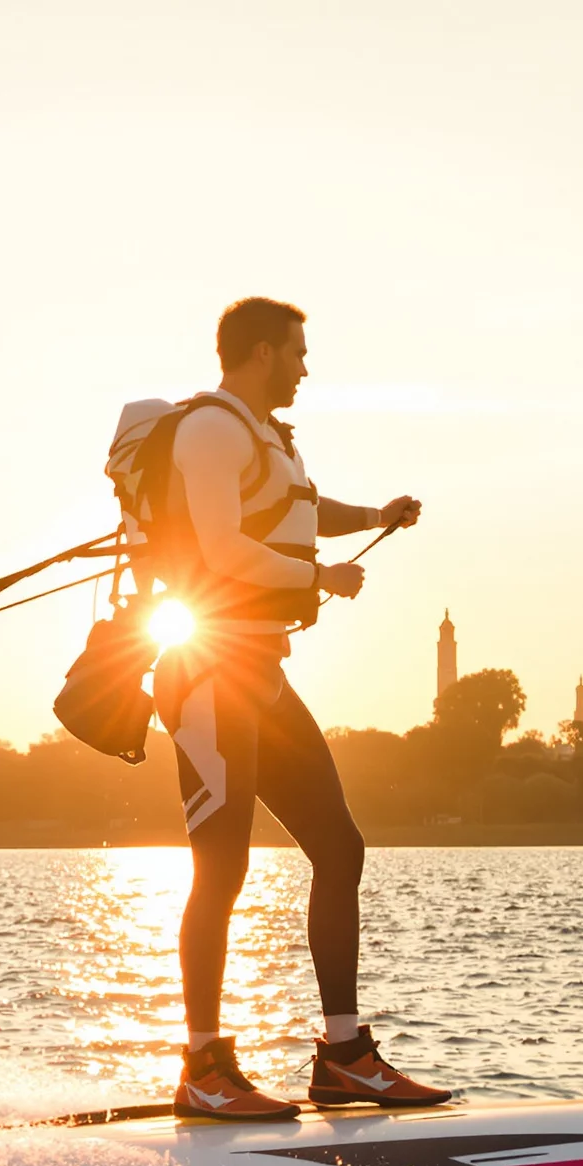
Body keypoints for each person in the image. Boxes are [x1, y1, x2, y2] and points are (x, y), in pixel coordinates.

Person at [153, 297, 454, 1120]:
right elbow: (220, 546)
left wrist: (375, 517)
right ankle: (203, 1068)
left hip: (259, 671)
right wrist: (320, 577)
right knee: (222, 867)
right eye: (296, 353)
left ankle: (343, 1057)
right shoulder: (211, 430)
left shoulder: (269, 438)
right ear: (259, 353)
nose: (306, 368)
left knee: (339, 846)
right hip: (207, 673)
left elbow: (302, 515)